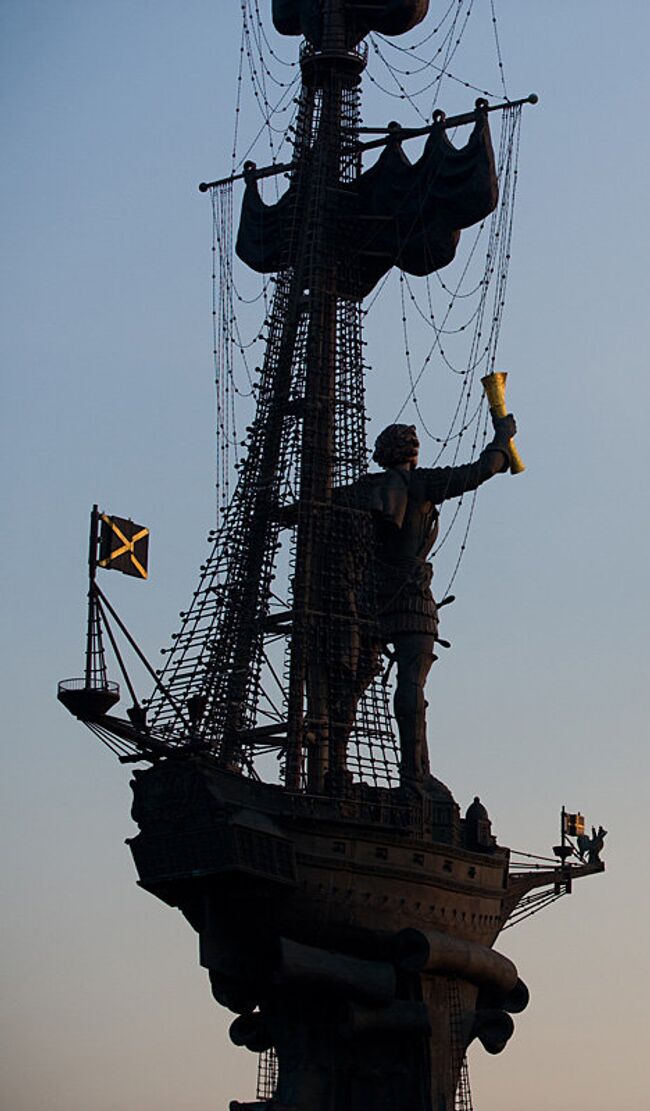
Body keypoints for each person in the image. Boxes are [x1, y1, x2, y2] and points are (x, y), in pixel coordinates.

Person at [364, 414, 516, 788]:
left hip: (366, 593)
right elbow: (482, 469)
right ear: (413, 453)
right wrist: (503, 436)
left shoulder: (361, 489)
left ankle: (334, 765)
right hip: (412, 595)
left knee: (351, 682)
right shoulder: (422, 484)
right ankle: (414, 773)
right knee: (413, 681)